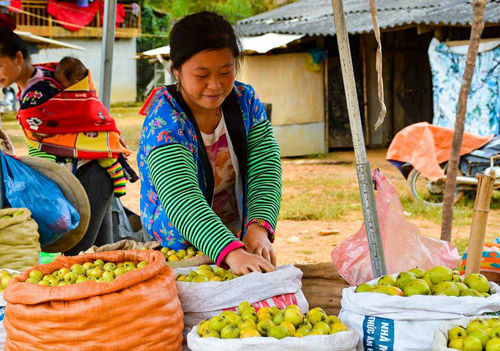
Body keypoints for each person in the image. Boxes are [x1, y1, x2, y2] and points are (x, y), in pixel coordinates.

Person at [138, 11, 282, 275]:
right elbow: (181, 197)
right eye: (202, 75)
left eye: (226, 71)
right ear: (177, 70)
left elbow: (265, 169)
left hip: (238, 237)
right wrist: (229, 251)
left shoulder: (245, 101)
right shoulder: (164, 120)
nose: (215, 85)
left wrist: (257, 228)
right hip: (180, 244)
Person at [0, 15, 131, 254]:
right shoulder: (42, 77)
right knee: (102, 254)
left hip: (86, 175)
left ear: (18, 58)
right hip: (95, 173)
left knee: (77, 256)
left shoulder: (36, 94)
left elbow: (50, 141)